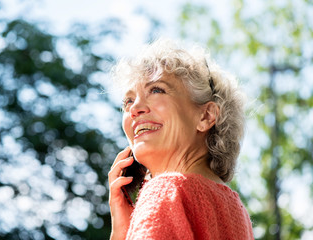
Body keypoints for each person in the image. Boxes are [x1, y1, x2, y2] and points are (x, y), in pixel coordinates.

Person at [108, 39, 254, 240]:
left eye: (157, 90)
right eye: (128, 101)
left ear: (206, 116)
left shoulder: (165, 192)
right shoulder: (237, 211)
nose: (134, 109)